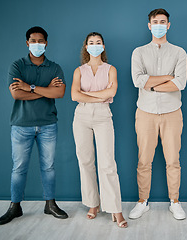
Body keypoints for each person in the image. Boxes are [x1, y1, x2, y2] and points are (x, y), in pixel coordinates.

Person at [0, 26, 68, 225]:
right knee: (19, 168)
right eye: (33, 41)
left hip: (48, 124)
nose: (38, 44)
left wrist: (31, 87)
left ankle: (50, 204)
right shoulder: (17, 66)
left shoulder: (55, 68)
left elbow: (60, 93)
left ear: (47, 43)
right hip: (21, 125)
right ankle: (15, 207)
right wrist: (45, 90)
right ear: (27, 43)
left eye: (41, 41)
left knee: (49, 167)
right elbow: (17, 94)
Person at [129, 8, 187, 220]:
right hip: (145, 113)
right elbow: (138, 81)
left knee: (173, 160)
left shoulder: (179, 52)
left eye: (163, 21)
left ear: (169, 25)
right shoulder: (139, 52)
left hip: (173, 112)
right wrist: (166, 78)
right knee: (144, 160)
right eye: (155, 21)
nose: (159, 25)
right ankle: (142, 201)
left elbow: (180, 83)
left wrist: (151, 83)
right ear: (149, 25)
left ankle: (175, 201)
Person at [71, 32, 127, 228]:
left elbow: (112, 93)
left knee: (107, 164)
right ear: (86, 47)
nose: (95, 45)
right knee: (85, 161)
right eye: (91, 43)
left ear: (103, 46)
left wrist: (86, 94)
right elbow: (74, 96)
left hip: (103, 116)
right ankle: (92, 204)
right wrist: (98, 96)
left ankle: (115, 209)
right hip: (81, 117)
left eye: (98, 42)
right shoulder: (79, 70)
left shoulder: (111, 69)